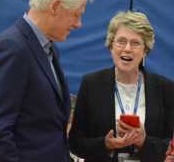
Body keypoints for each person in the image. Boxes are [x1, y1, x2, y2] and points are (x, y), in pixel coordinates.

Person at [0, 0, 95, 162]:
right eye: (76, 14)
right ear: (56, 6)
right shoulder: (12, 48)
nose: (78, 24)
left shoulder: (48, 48)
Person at [69, 11, 174, 162]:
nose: (127, 49)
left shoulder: (165, 88)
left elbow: (170, 145)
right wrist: (106, 144)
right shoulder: (91, 84)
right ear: (111, 46)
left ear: (145, 50)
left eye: (135, 43)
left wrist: (144, 141)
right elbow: (75, 143)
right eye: (121, 41)